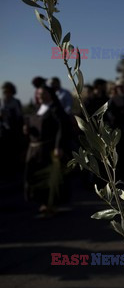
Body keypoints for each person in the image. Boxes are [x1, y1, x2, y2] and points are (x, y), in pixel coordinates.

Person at [24, 85, 71, 217]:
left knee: (49, 178)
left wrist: (58, 146)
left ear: (50, 94)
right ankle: (42, 203)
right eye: (38, 93)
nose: (40, 96)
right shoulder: (37, 109)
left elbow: (62, 129)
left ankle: (50, 204)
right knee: (36, 177)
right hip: (34, 149)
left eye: (42, 93)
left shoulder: (55, 109)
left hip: (48, 149)